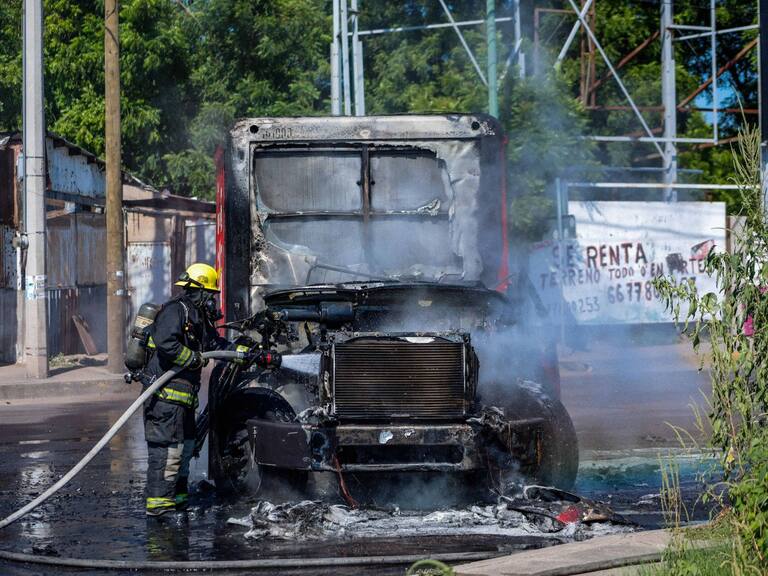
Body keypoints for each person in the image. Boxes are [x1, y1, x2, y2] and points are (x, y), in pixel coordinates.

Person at [142, 262, 226, 516]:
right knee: (167, 451)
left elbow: (213, 341)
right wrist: (190, 357)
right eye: (210, 294)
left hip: (184, 400)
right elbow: (165, 341)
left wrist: (239, 349)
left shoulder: (196, 316)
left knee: (185, 450)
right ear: (197, 290)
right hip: (165, 397)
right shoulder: (175, 311)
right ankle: (159, 507)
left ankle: (178, 500)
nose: (213, 300)